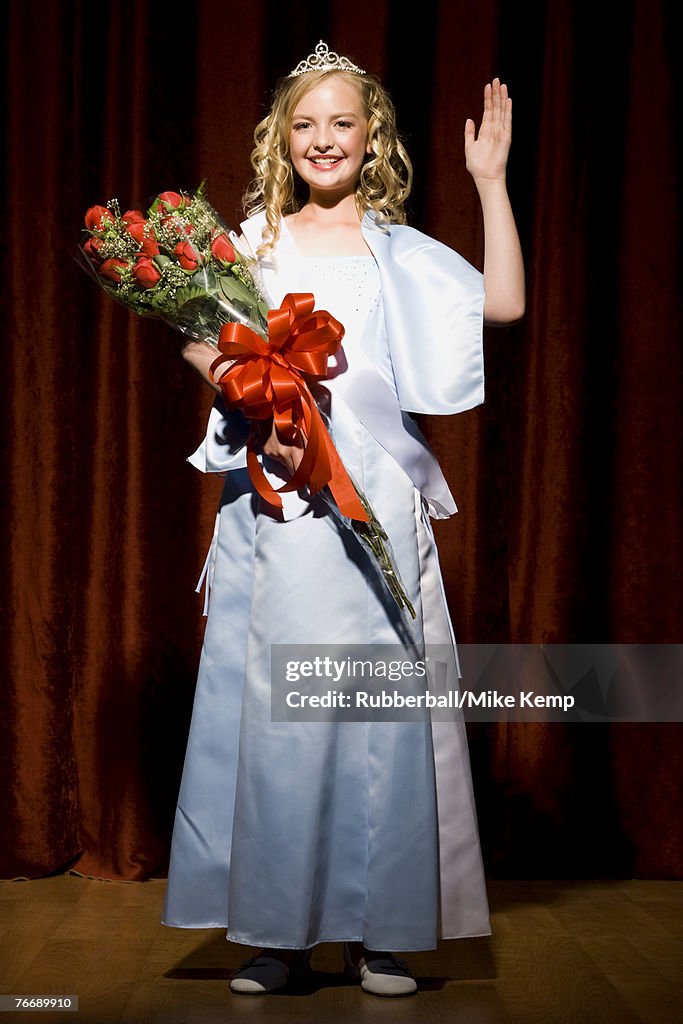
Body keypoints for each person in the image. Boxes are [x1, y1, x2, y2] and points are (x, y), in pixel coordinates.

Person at [161, 41, 525, 997]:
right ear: (283, 139)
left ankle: (383, 933)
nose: (323, 138)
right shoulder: (252, 243)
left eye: (343, 123)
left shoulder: (397, 250)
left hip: (372, 501)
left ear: (372, 142)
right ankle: (276, 935)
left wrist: (488, 183)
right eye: (305, 123)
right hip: (276, 501)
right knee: (278, 710)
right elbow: (198, 339)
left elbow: (505, 302)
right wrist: (258, 400)